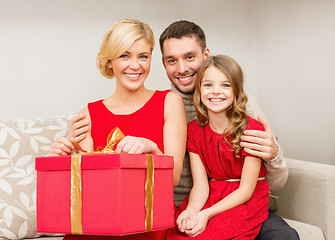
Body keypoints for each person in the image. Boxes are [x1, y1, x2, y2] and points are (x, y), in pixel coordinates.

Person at [68, 20, 299, 239]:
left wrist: (274, 154)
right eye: (172, 60)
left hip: (244, 205)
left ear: (206, 56)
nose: (182, 68)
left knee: (283, 236)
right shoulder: (174, 107)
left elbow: (275, 182)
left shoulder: (238, 105)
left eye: (190, 57)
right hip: (193, 204)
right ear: (163, 63)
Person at [48, 19, 187, 240]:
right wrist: (60, 161)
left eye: (143, 56)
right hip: (101, 223)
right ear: (109, 62)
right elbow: (87, 191)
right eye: (124, 55)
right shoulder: (89, 113)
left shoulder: (169, 102)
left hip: (148, 223)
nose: (135, 65)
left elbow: (174, 178)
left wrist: (152, 149)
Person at [166, 54, 270, 239]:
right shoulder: (194, 130)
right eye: (208, 85)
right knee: (179, 233)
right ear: (199, 90)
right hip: (213, 196)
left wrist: (205, 214)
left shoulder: (252, 128)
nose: (215, 91)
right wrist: (191, 211)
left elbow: (246, 190)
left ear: (236, 90)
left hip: (245, 200)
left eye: (225, 85)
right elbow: (201, 185)